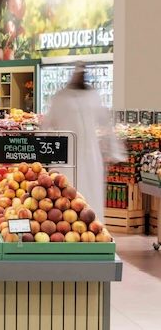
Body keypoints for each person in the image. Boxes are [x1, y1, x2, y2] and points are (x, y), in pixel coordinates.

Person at [43, 63, 125, 221]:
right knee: (66, 191)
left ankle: (94, 227)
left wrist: (115, 150)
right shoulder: (61, 97)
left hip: (90, 154)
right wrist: (42, 150)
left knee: (90, 193)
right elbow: (47, 124)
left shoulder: (93, 96)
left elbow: (105, 122)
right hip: (66, 153)